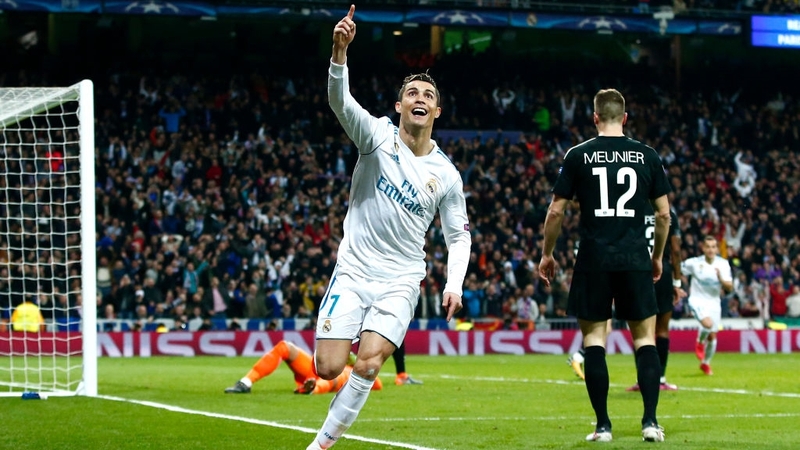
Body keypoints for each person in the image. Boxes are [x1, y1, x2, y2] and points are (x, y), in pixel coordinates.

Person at [306, 5, 471, 449]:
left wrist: (454, 283)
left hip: (401, 279)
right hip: (354, 271)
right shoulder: (375, 136)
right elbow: (339, 102)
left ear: (437, 110)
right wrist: (339, 54)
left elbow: (458, 236)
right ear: (400, 105)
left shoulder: (447, 174)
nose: (420, 98)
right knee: (326, 366)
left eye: (428, 95)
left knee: (369, 363)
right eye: (412, 92)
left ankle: (319, 445)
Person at [539, 88, 671, 443]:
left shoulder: (578, 155)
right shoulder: (647, 155)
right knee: (644, 339)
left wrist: (547, 253)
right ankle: (650, 422)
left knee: (594, 339)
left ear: (595, 117)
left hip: (594, 258)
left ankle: (603, 426)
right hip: (634, 257)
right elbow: (663, 214)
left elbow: (556, 210)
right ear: (625, 118)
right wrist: (657, 256)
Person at [627, 204, 687, 391]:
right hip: (662, 272)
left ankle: (642, 379)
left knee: (640, 331)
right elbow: (676, 251)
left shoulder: (632, 211)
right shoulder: (668, 214)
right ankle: (660, 379)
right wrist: (677, 283)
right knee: (661, 329)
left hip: (637, 271)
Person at [224, 340, 382, 395]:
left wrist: (315, 388)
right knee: (284, 347)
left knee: (333, 378)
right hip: (316, 368)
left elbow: (377, 384)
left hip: (325, 376)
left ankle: (310, 387)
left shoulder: (351, 372)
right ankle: (246, 382)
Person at [680, 235, 733, 376]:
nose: (710, 250)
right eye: (708, 247)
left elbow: (730, 287)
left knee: (713, 337)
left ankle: (706, 363)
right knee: (708, 325)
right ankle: (699, 341)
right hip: (697, 300)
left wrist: (721, 278)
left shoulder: (723, 264)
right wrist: (677, 286)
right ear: (703, 248)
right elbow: (677, 269)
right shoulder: (694, 263)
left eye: (713, 247)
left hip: (714, 302)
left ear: (717, 249)